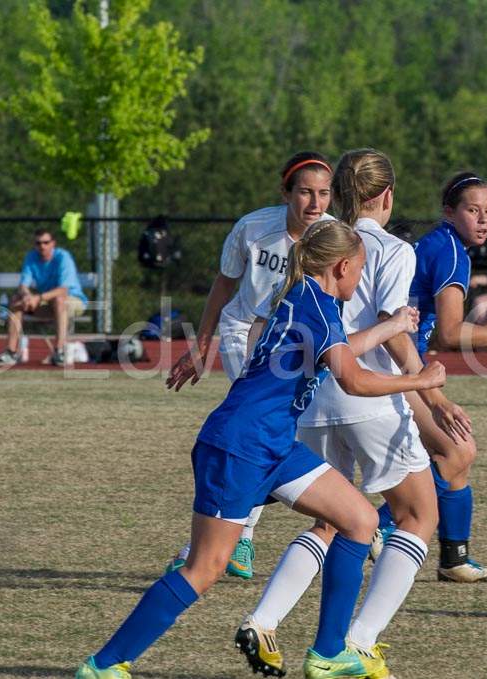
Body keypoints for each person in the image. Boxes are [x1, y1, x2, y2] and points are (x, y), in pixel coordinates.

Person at [75, 219, 446, 679]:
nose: (361, 278)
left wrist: (390, 325)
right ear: (344, 266)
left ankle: (328, 655)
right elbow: (353, 378)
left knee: (359, 519)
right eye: (361, 269)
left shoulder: (311, 298)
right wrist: (421, 380)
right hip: (240, 446)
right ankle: (104, 665)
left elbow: (343, 352)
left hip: (272, 443)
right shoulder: (318, 306)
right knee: (205, 567)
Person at [235, 148, 470, 677]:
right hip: (370, 400)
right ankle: (358, 643)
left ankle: (265, 619)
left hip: (315, 397)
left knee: (329, 520)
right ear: (387, 195)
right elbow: (395, 333)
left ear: (339, 193)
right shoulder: (393, 250)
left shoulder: (323, 239)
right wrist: (434, 394)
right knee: (417, 516)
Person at [163, 152, 333, 579]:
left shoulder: (334, 236)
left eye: (324, 193)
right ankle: (236, 539)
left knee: (275, 436)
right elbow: (224, 284)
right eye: (306, 192)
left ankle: (237, 537)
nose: (316, 203)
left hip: (296, 345)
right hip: (246, 333)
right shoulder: (254, 228)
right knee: (263, 431)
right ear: (286, 192)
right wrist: (202, 345)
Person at [381, 172, 487, 584]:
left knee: (456, 452)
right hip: (393, 362)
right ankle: (377, 526)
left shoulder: (446, 245)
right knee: (456, 450)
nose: (483, 219)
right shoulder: (450, 252)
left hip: (403, 361)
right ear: (449, 212)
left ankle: (454, 558)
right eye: (473, 210)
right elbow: (450, 332)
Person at [0, 229, 87, 367]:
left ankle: (59, 352)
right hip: (46, 303)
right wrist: (27, 296)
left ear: (53, 243)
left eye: (46, 242)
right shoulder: (31, 257)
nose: (42, 246)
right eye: (38, 243)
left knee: (59, 300)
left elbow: (63, 290)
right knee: (16, 302)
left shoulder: (63, 257)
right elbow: (23, 285)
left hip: (73, 302)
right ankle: (11, 352)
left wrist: (38, 297)